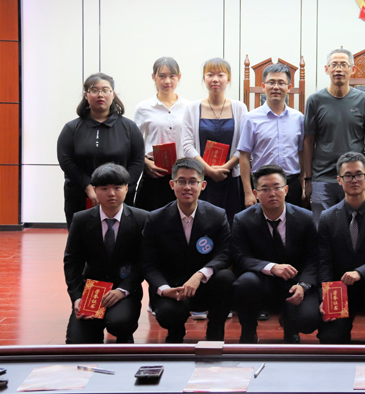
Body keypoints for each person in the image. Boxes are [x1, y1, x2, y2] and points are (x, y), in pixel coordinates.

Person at [141, 158, 235, 343]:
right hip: (172, 288)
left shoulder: (217, 215)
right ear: (172, 184)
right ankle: (175, 333)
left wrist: (200, 275)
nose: (187, 187)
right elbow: (148, 262)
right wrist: (164, 289)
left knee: (226, 278)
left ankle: (215, 334)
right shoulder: (155, 219)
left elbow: (225, 253)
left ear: (203, 185)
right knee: (168, 314)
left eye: (193, 182)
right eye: (181, 181)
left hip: (204, 285)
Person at [231, 164, 319, 343]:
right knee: (244, 283)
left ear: (286, 190)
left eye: (277, 187)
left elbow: (313, 258)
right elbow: (240, 257)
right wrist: (271, 267)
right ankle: (248, 332)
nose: (272, 193)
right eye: (264, 189)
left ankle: (291, 325)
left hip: (295, 282)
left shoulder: (305, 218)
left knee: (309, 320)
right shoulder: (242, 219)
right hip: (263, 282)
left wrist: (304, 285)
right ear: (255, 194)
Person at [63, 164, 148, 344]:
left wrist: (123, 290)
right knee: (77, 341)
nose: (111, 193)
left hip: (125, 288)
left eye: (117, 187)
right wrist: (77, 297)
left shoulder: (142, 219)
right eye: (104, 188)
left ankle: (125, 337)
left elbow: (145, 261)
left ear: (126, 188)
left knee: (120, 323)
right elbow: (72, 262)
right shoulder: (81, 219)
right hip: (92, 289)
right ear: (94, 190)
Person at [317, 152, 365, 344]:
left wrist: (360, 272)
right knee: (331, 340)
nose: (354, 180)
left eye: (359, 175)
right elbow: (324, 262)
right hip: (341, 289)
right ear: (339, 180)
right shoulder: (327, 217)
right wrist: (326, 297)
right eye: (348, 176)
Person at [57, 73, 144, 228]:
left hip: (120, 198)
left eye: (105, 90)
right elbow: (66, 161)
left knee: (121, 237)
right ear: (86, 95)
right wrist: (88, 187)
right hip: (80, 195)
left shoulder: (129, 127)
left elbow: (137, 161)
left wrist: (122, 189)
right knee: (83, 238)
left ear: (113, 94)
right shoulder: (71, 128)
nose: (100, 95)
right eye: (94, 90)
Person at [304, 49, 365, 222]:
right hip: (322, 177)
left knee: (354, 227)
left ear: (353, 69)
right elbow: (308, 141)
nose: (338, 69)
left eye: (343, 64)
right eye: (334, 64)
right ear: (326, 69)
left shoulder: (364, 100)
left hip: (354, 177)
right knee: (322, 227)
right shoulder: (315, 100)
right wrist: (308, 179)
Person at [182, 58, 247, 226]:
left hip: (231, 177)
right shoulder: (192, 108)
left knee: (232, 224)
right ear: (204, 78)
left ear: (229, 79)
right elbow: (187, 145)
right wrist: (209, 171)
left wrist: (226, 167)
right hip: (201, 178)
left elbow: (244, 145)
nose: (215, 79)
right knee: (203, 224)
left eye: (221, 75)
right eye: (210, 75)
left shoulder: (239, 107)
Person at [238, 63, 304, 208]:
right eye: (271, 82)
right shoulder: (251, 118)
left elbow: (301, 153)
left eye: (281, 83)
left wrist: (304, 183)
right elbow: (244, 156)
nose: (276, 87)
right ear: (263, 86)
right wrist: (248, 192)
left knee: (293, 221)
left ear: (289, 87)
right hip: (262, 185)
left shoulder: (298, 118)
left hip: (291, 184)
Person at [133, 57, 189, 211]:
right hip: (154, 171)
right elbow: (134, 143)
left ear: (179, 77)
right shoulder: (144, 108)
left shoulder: (189, 107)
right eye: (162, 76)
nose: (167, 81)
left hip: (182, 171)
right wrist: (145, 163)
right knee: (149, 216)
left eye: (172, 76)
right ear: (153, 77)